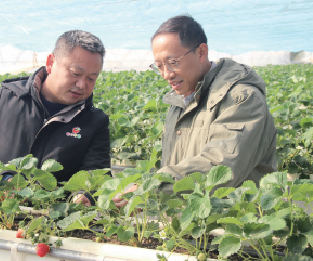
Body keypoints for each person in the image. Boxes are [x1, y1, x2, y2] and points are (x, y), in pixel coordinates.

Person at [114, 14, 277, 206]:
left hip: (234, 221)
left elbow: (221, 167)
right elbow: (175, 165)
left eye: (173, 62)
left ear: (201, 52)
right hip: (188, 223)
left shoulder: (241, 98)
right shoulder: (180, 101)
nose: (166, 74)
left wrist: (151, 188)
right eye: (159, 66)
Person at [0, 30, 111, 205]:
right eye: (75, 73)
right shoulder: (7, 97)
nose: (82, 85)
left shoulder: (95, 122)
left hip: (54, 222)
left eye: (91, 78)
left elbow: (96, 173)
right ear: (51, 63)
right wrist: (1, 178)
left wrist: (84, 196)